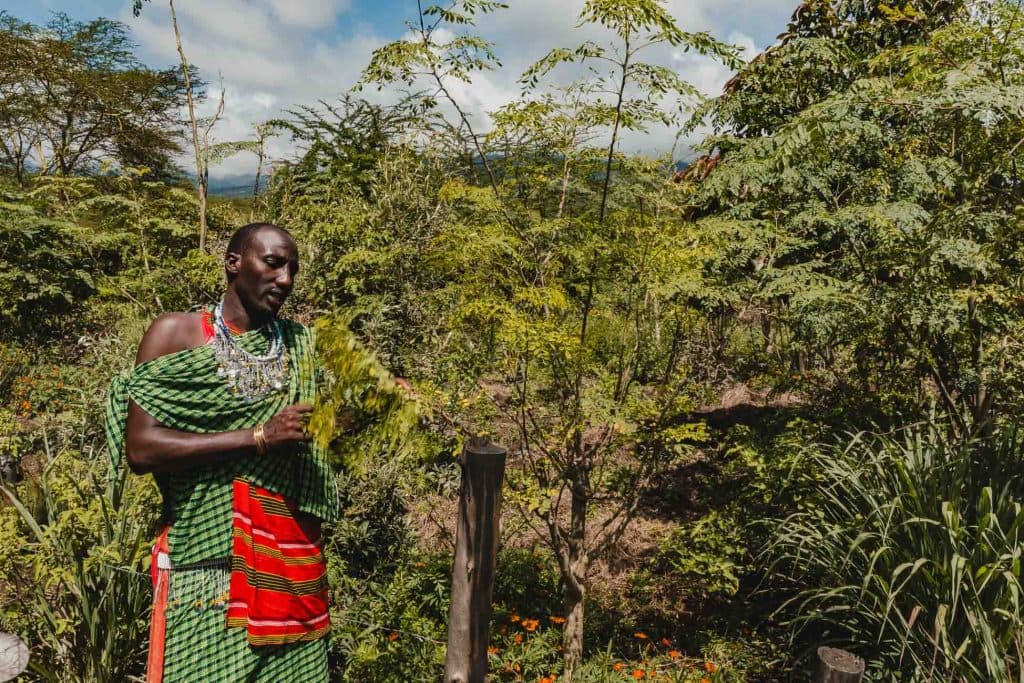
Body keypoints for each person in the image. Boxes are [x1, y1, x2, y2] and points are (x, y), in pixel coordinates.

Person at [105, 223, 336, 682]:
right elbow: (141, 448)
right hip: (206, 564)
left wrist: (368, 411)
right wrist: (258, 436)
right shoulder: (176, 334)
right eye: (273, 263)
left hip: (289, 562)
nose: (286, 279)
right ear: (233, 263)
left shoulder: (299, 345)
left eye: (292, 268)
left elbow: (307, 446)